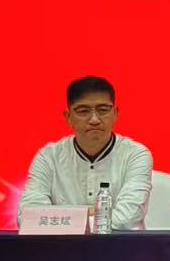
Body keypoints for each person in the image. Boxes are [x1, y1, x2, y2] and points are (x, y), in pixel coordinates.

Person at [18, 76, 154, 230]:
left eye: (103, 110)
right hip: (62, 245)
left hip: (120, 245)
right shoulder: (48, 157)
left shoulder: (135, 155)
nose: (94, 120)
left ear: (115, 113)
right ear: (68, 117)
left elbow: (126, 221)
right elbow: (28, 218)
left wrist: (65, 216)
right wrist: (90, 214)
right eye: (83, 111)